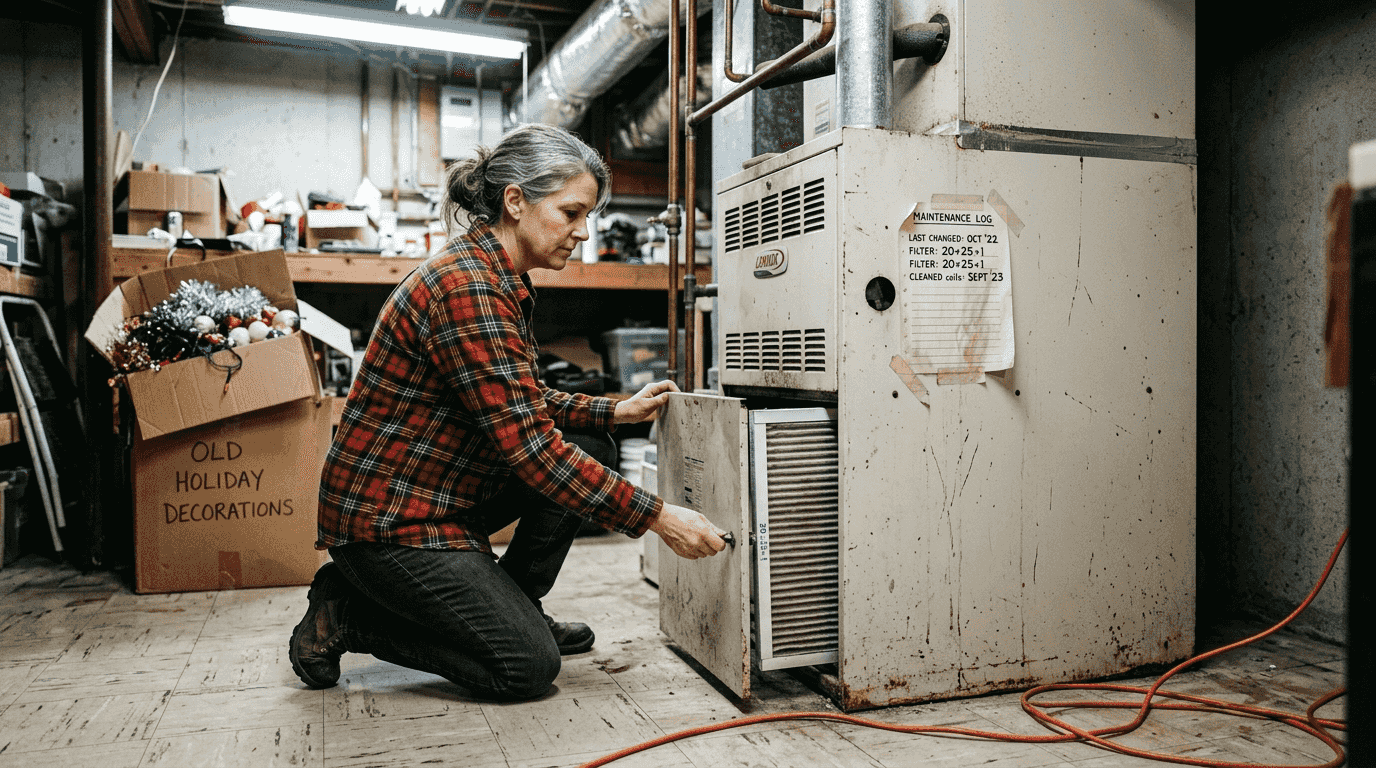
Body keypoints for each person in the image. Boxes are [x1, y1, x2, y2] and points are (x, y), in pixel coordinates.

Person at [288, 123, 726, 701]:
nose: (582, 231)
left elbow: (519, 402)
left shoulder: (498, 277)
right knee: (524, 665)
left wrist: (614, 412)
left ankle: (514, 606)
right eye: (570, 213)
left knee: (591, 445)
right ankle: (349, 614)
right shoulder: (467, 288)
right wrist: (659, 517)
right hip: (390, 523)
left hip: (436, 493)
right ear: (515, 201)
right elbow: (534, 453)